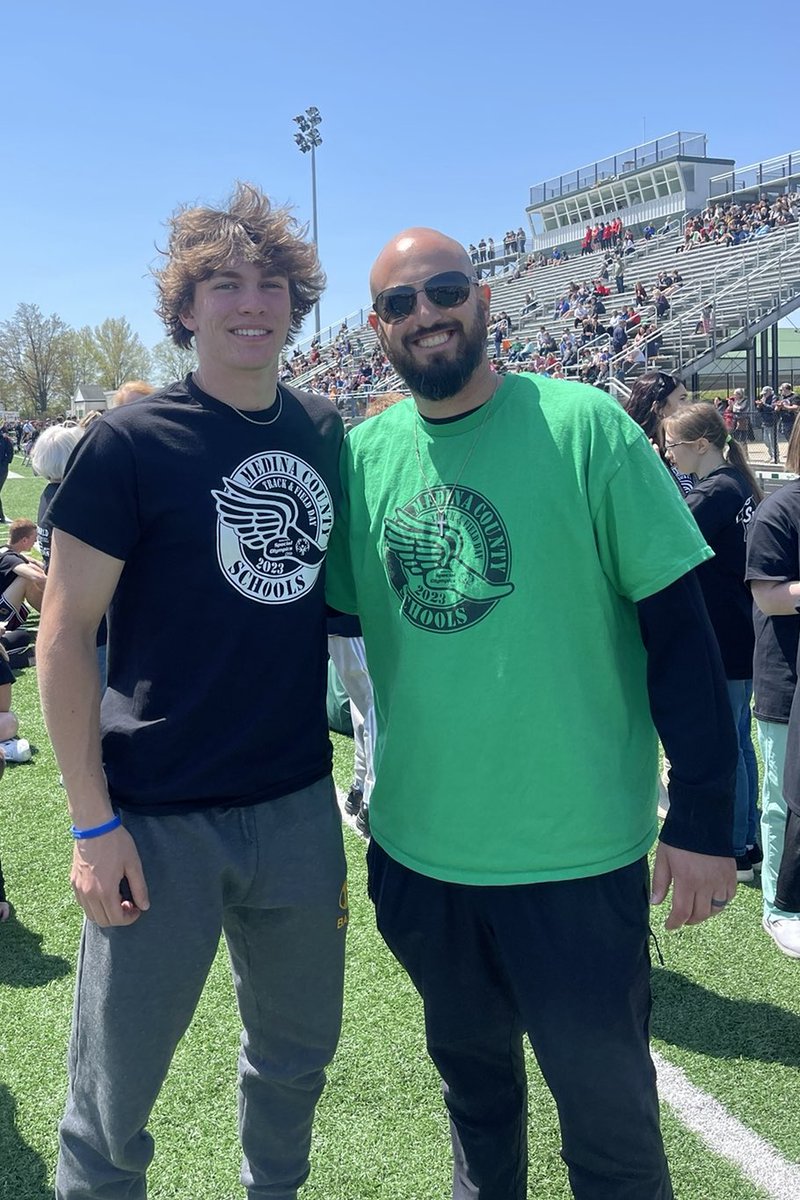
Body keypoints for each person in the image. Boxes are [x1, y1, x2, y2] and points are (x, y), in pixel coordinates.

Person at [327, 227, 737, 1200]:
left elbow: (682, 640)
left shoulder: (585, 425)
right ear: (377, 329)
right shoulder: (362, 458)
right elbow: (326, 622)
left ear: (484, 300)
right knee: (475, 1103)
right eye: (400, 302)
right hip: (420, 860)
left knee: (609, 1133)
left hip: (574, 858)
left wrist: (702, 823)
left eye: (445, 289)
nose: (426, 312)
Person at [38, 182, 348, 1200]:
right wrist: (92, 825)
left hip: (297, 805)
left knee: (297, 1058)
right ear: (184, 310)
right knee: (114, 1097)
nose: (248, 301)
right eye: (222, 283)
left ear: (294, 306)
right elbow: (65, 633)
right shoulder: (126, 446)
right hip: (159, 816)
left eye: (268, 283)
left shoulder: (321, 429)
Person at [664, 403, 762, 881]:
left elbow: (668, 535)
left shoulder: (717, 490)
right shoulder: (735, 484)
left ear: (701, 445)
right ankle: (748, 838)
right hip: (740, 629)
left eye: (673, 445)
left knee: (728, 742)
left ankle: (737, 846)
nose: (667, 452)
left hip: (724, 632)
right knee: (740, 740)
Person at [746, 418, 800, 957]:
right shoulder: (779, 510)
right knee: (785, 798)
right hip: (787, 677)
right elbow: (769, 596)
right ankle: (780, 907)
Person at [0, 519, 46, 630]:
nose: (35, 541)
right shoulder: (9, 559)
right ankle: (55, 614)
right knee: (26, 579)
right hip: (2, 617)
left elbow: (34, 563)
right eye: (34, 539)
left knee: (32, 573)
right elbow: (37, 577)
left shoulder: (6, 550)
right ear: (24, 540)